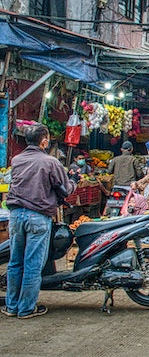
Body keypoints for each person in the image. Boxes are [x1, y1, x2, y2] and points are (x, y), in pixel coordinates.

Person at [2, 124, 77, 319]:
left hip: (16, 216)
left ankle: (12, 306)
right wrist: (73, 181)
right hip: (38, 217)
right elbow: (64, 189)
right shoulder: (50, 162)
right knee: (32, 264)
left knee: (15, 262)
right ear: (43, 141)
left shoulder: (16, 160)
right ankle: (26, 308)